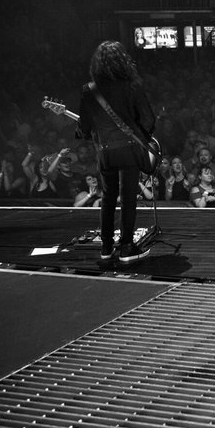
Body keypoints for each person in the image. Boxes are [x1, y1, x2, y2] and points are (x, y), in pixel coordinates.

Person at [76, 41, 157, 266]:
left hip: (104, 152)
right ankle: (127, 247)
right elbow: (148, 119)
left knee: (108, 197)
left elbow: (83, 129)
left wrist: (91, 133)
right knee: (128, 198)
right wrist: (140, 134)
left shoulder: (89, 90)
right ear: (123, 61)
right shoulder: (131, 86)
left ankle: (106, 247)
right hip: (128, 149)